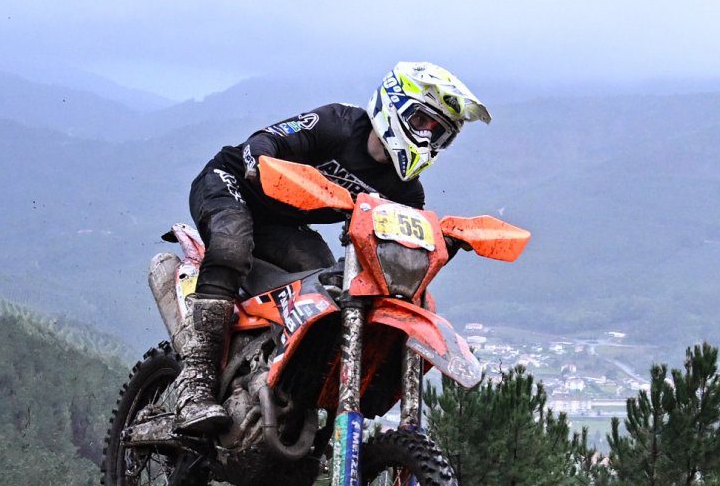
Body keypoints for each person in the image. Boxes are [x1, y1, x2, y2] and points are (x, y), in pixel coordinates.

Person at [177, 61, 491, 433]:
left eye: (439, 133)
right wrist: (260, 162)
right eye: (422, 122)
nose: (427, 137)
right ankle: (195, 382)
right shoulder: (337, 124)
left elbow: (401, 248)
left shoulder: (405, 192)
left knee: (323, 286)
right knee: (231, 244)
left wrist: (446, 242)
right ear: (394, 103)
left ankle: (269, 376)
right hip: (230, 184)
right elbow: (265, 140)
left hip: (280, 224)